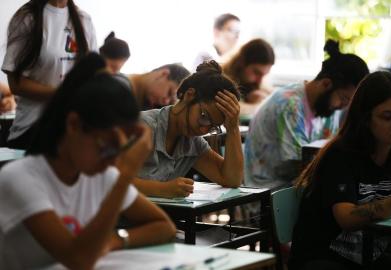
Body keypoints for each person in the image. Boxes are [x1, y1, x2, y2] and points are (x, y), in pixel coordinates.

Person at [0, 53, 176, 270]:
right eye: (105, 147)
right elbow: (78, 260)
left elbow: (164, 227)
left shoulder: (99, 172)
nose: (111, 162)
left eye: (118, 150)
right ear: (73, 125)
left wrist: (113, 241)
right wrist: (125, 175)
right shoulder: (19, 178)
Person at [289, 71, 391, 270]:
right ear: (366, 119)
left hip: (371, 252)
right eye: (388, 117)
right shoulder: (340, 155)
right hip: (326, 256)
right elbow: (347, 218)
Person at [244, 40, 369, 190]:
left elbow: (328, 155)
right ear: (326, 84)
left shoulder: (328, 107)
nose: (345, 105)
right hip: (267, 190)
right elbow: (302, 165)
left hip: (295, 185)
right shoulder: (289, 104)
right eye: (344, 98)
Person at [133, 60, 243, 198]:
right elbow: (109, 181)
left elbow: (231, 179)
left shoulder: (192, 142)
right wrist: (162, 189)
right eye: (204, 117)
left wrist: (233, 128)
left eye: (213, 127)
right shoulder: (143, 126)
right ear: (189, 95)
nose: (204, 130)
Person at [1, 0, 98, 150]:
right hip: (32, 132)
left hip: (72, 131)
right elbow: (16, 84)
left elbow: (94, 75)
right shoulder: (28, 17)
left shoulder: (83, 19)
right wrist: (62, 95)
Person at [222, 38, 275, 114]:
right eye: (256, 72)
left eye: (264, 75)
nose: (260, 80)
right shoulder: (221, 78)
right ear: (242, 62)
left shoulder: (256, 81)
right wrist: (261, 105)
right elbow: (227, 107)